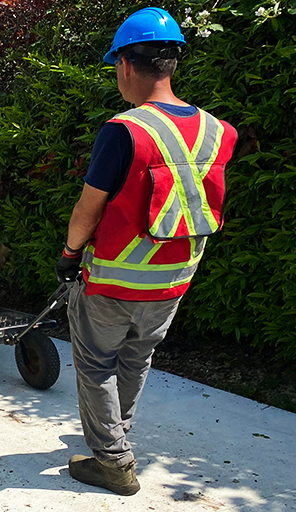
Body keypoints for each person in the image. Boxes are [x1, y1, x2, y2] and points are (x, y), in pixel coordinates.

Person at [55, 7, 237, 496]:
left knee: (96, 365)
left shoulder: (125, 131)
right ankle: (118, 437)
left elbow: (87, 212)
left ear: (126, 66)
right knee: (136, 360)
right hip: (174, 281)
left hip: (115, 281)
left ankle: (113, 461)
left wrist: (70, 257)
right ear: (170, 63)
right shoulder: (220, 132)